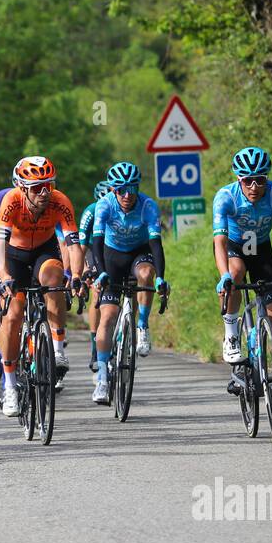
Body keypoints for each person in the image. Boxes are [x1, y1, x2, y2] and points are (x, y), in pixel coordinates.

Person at [212, 146, 272, 419]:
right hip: (234, 249)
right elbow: (218, 242)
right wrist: (224, 276)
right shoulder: (226, 197)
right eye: (247, 180)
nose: (254, 186)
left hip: (262, 251)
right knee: (237, 271)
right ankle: (231, 333)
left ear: (267, 179)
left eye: (260, 179)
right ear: (238, 180)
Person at [0, 156, 82, 417]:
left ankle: (57, 349)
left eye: (48, 185)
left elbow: (73, 244)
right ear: (22, 188)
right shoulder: (11, 201)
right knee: (13, 315)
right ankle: (9, 385)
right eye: (36, 187)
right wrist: (3, 274)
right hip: (14, 254)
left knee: (55, 280)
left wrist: (75, 274)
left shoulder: (60, 202)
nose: (44, 193)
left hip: (44, 249)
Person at [87, 163, 169, 404]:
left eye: (131, 188)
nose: (127, 194)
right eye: (121, 189)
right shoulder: (104, 205)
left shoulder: (148, 206)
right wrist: (101, 273)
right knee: (108, 316)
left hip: (139, 253)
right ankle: (102, 376)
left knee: (145, 274)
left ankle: (142, 326)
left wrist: (161, 276)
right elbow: (97, 244)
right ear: (113, 190)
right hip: (112, 257)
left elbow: (156, 245)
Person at [77, 180, 112, 379]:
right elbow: (81, 246)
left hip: (113, 247)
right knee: (97, 290)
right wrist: (82, 272)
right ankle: (94, 345)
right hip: (92, 248)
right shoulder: (90, 211)